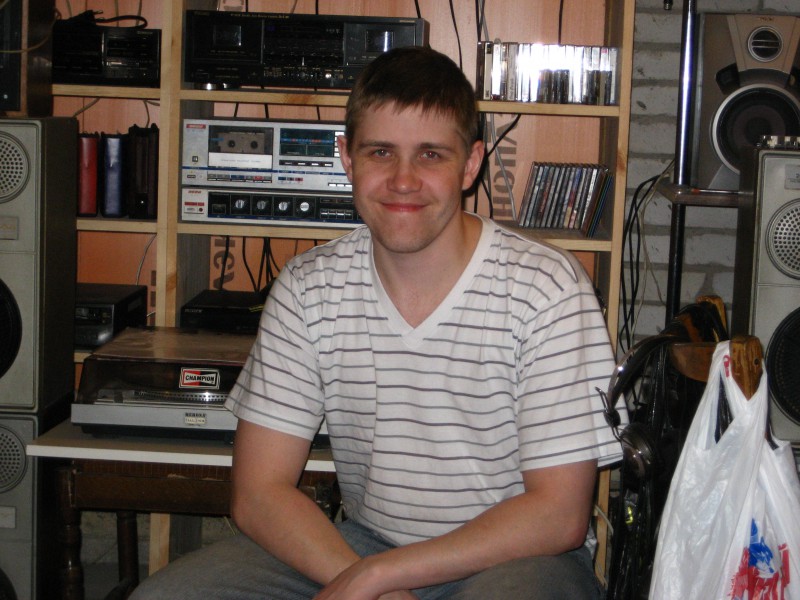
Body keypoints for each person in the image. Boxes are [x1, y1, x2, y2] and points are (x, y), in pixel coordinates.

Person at [130, 45, 623, 600]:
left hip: (517, 558)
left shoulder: (547, 288)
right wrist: (367, 576)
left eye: (430, 154)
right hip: (366, 542)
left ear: (471, 164)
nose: (403, 180)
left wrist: (377, 578)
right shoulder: (309, 287)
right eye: (381, 152)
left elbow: (559, 515)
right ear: (347, 158)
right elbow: (259, 492)